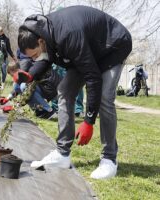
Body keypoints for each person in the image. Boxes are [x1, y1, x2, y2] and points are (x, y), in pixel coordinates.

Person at [18, 5, 132, 179]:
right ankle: (62, 154)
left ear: (41, 42)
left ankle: (109, 159)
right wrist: (30, 75)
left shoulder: (67, 35)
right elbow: (46, 58)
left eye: (34, 55)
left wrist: (88, 121)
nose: (34, 59)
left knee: (104, 98)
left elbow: (93, 78)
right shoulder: (44, 33)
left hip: (113, 45)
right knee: (64, 90)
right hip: (89, 49)